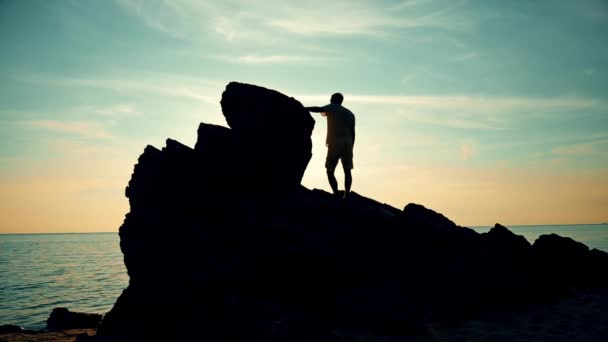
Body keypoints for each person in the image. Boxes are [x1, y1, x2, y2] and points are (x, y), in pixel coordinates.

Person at [305, 93, 356, 199]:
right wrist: (351, 146)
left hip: (335, 142)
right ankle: (346, 195)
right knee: (347, 170)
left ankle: (336, 193)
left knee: (330, 169)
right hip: (348, 143)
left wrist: (304, 108)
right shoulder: (350, 114)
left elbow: (318, 109)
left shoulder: (332, 107)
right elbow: (353, 133)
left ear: (333, 99)